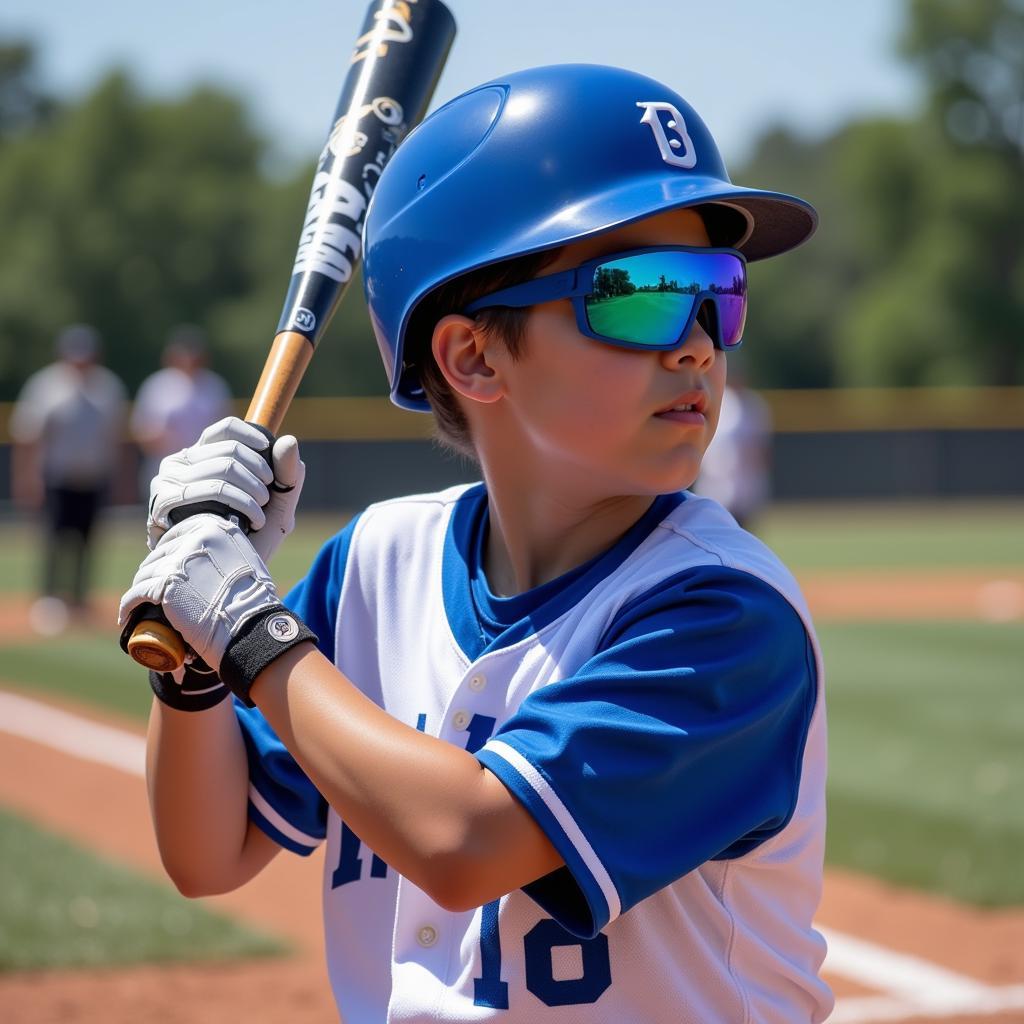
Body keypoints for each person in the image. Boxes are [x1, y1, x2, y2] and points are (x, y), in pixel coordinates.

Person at [120, 65, 831, 1022]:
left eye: (718, 293)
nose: (699, 344)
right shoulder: (377, 563)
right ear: (474, 356)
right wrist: (196, 665)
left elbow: (466, 842)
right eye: (641, 293)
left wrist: (245, 632)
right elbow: (207, 854)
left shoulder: (727, 611)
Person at [12, 323, 126, 632]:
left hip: (94, 477)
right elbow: (29, 436)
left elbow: (114, 439)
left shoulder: (107, 388)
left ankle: (78, 599)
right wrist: (27, 477)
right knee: (54, 539)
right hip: (58, 478)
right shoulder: (46, 386)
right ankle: (49, 598)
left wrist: (119, 478)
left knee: (88, 541)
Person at [130, 324, 231, 493]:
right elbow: (140, 429)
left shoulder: (214, 386)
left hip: (205, 469)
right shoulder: (157, 385)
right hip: (164, 467)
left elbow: (227, 428)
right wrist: (157, 437)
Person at [695, 360, 774, 532]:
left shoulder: (754, 404)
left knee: (744, 531)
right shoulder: (718, 401)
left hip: (746, 477)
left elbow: (762, 446)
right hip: (717, 479)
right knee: (715, 529)